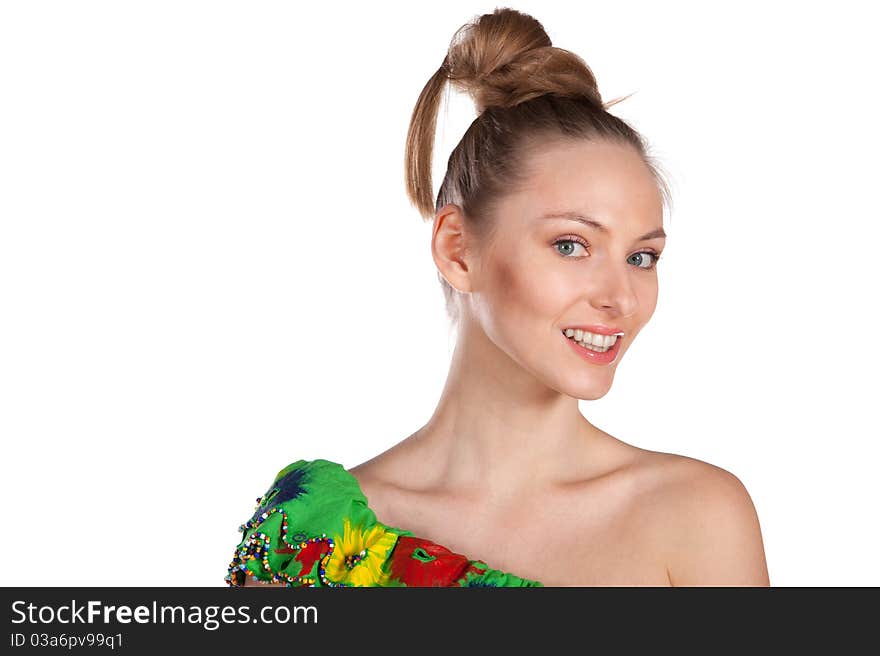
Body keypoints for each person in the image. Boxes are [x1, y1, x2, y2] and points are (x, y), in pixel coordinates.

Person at [226, 7, 770, 588]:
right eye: (571, 245)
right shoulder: (313, 533)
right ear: (458, 249)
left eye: (642, 257)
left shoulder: (697, 518)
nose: (622, 298)